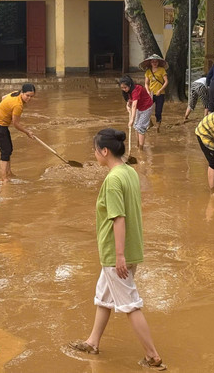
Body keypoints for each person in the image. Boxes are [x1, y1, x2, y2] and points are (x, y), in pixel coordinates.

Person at [68, 128, 167, 371]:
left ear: (104, 151)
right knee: (103, 297)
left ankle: (153, 356)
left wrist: (119, 256)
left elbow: (118, 218)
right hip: (129, 249)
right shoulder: (129, 171)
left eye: (95, 150)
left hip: (116, 254)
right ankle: (93, 342)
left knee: (130, 304)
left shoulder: (112, 180)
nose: (94, 155)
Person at [0, 83, 36, 181]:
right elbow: (16, 124)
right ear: (22, 92)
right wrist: (27, 132)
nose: (29, 98)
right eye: (27, 95)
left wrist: (5, 111)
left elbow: (3, 98)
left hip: (1, 124)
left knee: (9, 149)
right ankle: (4, 179)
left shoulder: (15, 93)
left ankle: (9, 173)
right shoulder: (18, 105)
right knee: (5, 152)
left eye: (31, 96)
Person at [119, 75, 153, 151]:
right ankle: (138, 145)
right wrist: (128, 105)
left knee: (140, 127)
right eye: (122, 88)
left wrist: (131, 119)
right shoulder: (127, 91)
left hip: (146, 107)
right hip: (139, 107)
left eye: (125, 87)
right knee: (136, 126)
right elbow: (130, 101)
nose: (124, 89)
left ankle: (141, 149)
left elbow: (134, 106)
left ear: (130, 85)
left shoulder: (136, 89)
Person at [140, 54, 169, 132]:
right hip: (151, 94)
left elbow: (166, 82)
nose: (154, 63)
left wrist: (160, 90)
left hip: (160, 93)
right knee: (145, 109)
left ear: (158, 62)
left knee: (158, 111)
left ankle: (158, 127)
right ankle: (149, 123)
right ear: (150, 63)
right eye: (153, 62)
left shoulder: (162, 70)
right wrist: (148, 91)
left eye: (156, 62)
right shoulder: (148, 72)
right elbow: (146, 83)